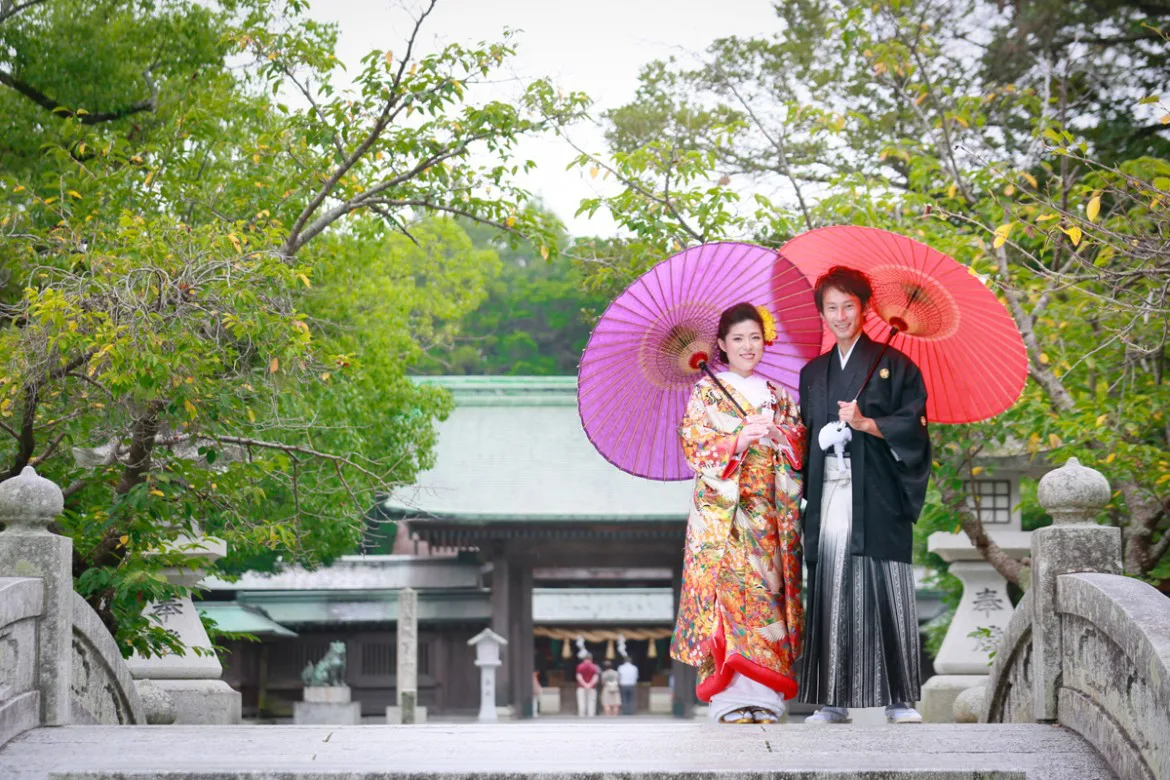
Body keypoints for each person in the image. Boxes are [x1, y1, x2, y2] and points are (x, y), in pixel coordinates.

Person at [797, 266, 931, 725]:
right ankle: (832, 700)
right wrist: (815, 440)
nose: (840, 316)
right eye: (831, 308)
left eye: (848, 306)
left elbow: (914, 430)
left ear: (865, 308)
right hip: (830, 491)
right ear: (821, 313)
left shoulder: (898, 367)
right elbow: (803, 437)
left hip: (877, 496)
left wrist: (867, 424)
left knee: (884, 586)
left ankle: (899, 698)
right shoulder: (813, 373)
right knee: (832, 585)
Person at [670, 302, 806, 725]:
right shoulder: (707, 393)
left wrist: (780, 435)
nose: (748, 346)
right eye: (738, 339)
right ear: (722, 347)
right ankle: (730, 702)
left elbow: (799, 446)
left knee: (767, 602)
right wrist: (738, 441)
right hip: (725, 520)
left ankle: (765, 698)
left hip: (768, 517)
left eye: (754, 337)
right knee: (728, 605)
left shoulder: (778, 395)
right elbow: (693, 445)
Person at [575, 652, 599, 717]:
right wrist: (590, 684)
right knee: (591, 701)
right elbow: (595, 677)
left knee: (581, 701)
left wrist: (585, 684)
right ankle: (591, 715)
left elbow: (579, 676)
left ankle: (582, 715)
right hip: (592, 687)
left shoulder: (580, 666)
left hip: (581, 687)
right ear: (591, 659)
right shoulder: (594, 666)